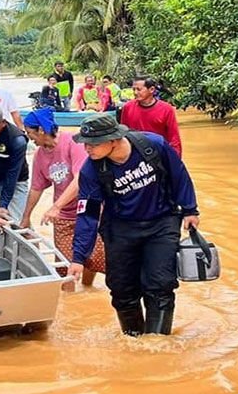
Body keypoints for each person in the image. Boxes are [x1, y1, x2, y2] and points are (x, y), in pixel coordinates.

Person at [70, 115, 199, 336]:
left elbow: (179, 175)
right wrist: (78, 257)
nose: (87, 148)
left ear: (113, 140)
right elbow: (88, 214)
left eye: (92, 143)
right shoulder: (91, 170)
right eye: (85, 143)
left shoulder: (153, 146)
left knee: (160, 285)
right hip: (120, 229)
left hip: (161, 223)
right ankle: (134, 342)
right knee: (121, 290)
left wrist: (190, 209)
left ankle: (157, 345)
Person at [22, 107, 101, 287]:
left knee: (91, 260)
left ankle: (87, 292)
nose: (29, 138)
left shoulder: (74, 142)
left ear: (41, 130)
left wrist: (55, 206)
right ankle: (68, 299)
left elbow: (81, 177)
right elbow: (36, 187)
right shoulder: (40, 155)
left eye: (30, 133)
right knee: (65, 267)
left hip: (88, 211)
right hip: (64, 217)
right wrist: (26, 217)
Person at [118, 75, 183, 157]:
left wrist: (175, 160)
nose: (135, 93)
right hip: (136, 154)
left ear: (151, 89)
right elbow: (124, 133)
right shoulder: (128, 107)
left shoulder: (166, 109)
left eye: (139, 89)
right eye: (133, 89)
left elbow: (174, 138)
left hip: (159, 153)